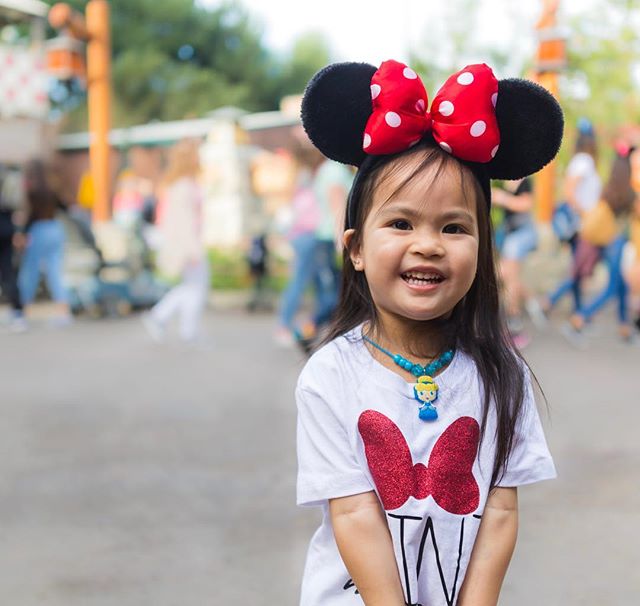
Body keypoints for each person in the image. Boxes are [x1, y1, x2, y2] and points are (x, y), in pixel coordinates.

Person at [295, 60, 562, 606]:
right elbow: (352, 512)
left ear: (482, 252)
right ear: (357, 249)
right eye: (401, 223)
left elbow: (501, 510)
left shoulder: (501, 375)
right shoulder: (331, 375)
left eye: (454, 227)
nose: (428, 244)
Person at [563, 149, 636, 344]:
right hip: (617, 243)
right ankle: (580, 317)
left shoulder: (608, 190)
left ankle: (624, 328)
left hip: (606, 241)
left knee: (621, 287)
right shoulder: (630, 194)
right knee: (614, 287)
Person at [142, 140, 208, 345]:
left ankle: (176, 325)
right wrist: (193, 250)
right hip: (187, 245)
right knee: (195, 287)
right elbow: (184, 224)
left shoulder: (180, 184)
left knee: (191, 288)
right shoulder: (184, 187)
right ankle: (167, 320)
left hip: (185, 244)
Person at [544, 120, 601, 316]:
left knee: (578, 268)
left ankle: (578, 311)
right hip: (582, 225)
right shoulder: (585, 161)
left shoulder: (579, 160)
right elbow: (570, 192)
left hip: (582, 224)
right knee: (579, 269)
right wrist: (587, 214)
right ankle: (549, 302)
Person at [17, 159, 72, 327]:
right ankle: (64, 312)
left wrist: (22, 233)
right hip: (55, 228)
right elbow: (66, 207)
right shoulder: (52, 187)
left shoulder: (32, 189)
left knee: (30, 271)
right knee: (55, 272)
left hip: (38, 230)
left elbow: (31, 216)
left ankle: (22, 311)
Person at [492, 177, 539, 347]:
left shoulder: (525, 182)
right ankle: (531, 303)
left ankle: (514, 322)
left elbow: (526, 204)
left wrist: (502, 198)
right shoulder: (506, 182)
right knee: (508, 276)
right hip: (509, 234)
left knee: (509, 276)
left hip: (520, 235)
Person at [0, 164, 26, 331]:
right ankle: (18, 314)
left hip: (6, 231)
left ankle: (17, 314)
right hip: (6, 230)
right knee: (9, 272)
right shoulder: (9, 181)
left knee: (8, 274)